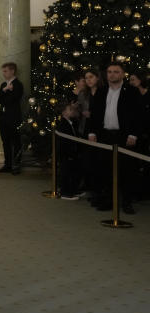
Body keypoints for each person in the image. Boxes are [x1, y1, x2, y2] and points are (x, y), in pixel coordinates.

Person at [87, 62, 143, 214]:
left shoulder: (131, 91)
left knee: (126, 170)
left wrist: (133, 134)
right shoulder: (101, 91)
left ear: (122, 74)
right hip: (105, 135)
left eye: (116, 72)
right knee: (106, 169)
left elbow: (139, 115)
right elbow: (95, 114)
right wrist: (92, 132)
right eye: (110, 71)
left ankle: (126, 202)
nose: (112, 74)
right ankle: (109, 200)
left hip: (123, 136)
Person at [0, 62, 24, 174]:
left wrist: (4, 96)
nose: (4, 73)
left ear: (12, 71)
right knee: (5, 142)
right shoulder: (3, 85)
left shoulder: (18, 84)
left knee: (16, 141)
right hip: (3, 117)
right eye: (3, 71)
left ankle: (16, 165)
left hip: (13, 117)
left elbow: (13, 99)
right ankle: (7, 165)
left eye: (5, 71)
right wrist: (5, 90)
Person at [55, 101, 83, 200]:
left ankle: (72, 190)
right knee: (66, 173)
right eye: (70, 109)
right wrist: (70, 153)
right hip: (66, 153)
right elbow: (65, 141)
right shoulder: (63, 124)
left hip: (71, 152)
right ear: (64, 113)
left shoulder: (71, 122)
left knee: (72, 172)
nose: (72, 111)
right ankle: (65, 193)